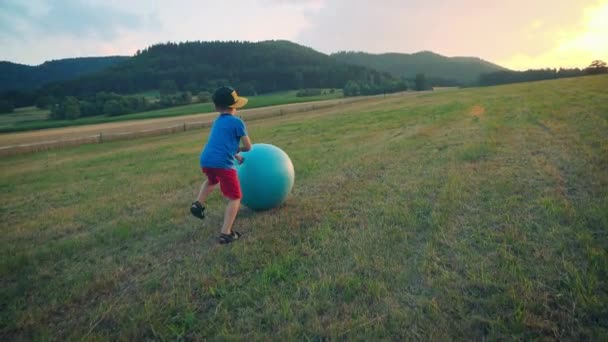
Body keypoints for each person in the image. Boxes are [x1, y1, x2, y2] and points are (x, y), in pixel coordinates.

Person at [191, 86, 252, 244]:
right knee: (235, 197)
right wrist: (239, 150)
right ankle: (226, 233)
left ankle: (198, 204)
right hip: (223, 164)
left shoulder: (217, 122)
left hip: (206, 160)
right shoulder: (237, 122)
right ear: (234, 106)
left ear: (216, 107)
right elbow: (248, 147)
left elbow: (222, 145)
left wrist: (235, 155)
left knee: (212, 181)